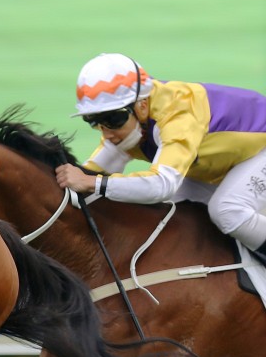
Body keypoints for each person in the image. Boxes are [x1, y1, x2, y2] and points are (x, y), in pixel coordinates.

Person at [56, 53, 266, 263]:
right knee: (172, 212)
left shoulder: (177, 114)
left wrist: (92, 182)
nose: (106, 132)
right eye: (94, 121)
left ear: (142, 106)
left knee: (228, 210)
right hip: (234, 162)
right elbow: (86, 176)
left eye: (113, 119)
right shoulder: (128, 128)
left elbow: (161, 185)